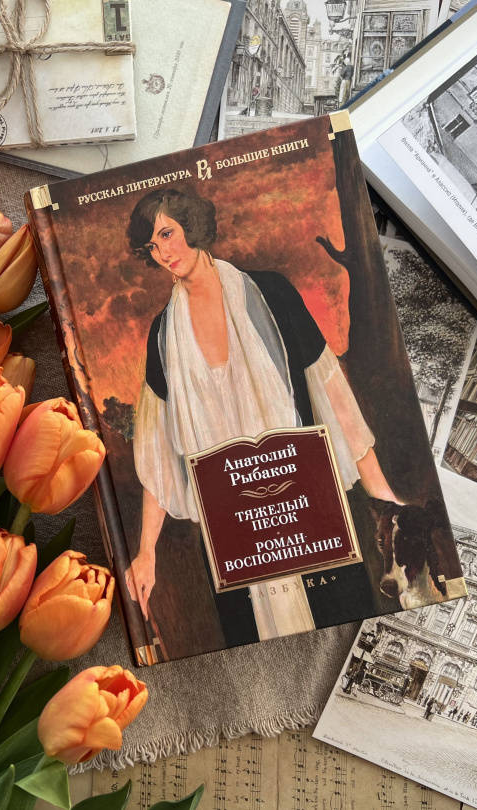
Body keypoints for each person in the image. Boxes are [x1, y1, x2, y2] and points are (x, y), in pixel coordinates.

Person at [121, 187, 402, 651]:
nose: (163, 252)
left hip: (308, 508)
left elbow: (332, 394)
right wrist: (146, 551)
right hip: (232, 532)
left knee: (341, 615)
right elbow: (158, 454)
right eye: (152, 245)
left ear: (193, 225)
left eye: (167, 234)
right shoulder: (161, 336)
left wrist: (384, 496)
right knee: (251, 636)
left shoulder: (271, 292)